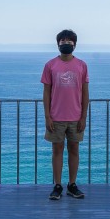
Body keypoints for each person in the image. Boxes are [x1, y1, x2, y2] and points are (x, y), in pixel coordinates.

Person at [41, 29, 89, 200]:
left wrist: (83, 116)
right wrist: (47, 116)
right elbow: (46, 92)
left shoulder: (82, 65)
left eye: (69, 41)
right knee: (57, 150)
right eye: (63, 41)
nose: (66, 43)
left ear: (75, 44)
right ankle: (58, 185)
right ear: (58, 44)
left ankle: (72, 184)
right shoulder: (50, 65)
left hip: (76, 117)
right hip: (56, 117)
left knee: (74, 149)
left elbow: (85, 93)